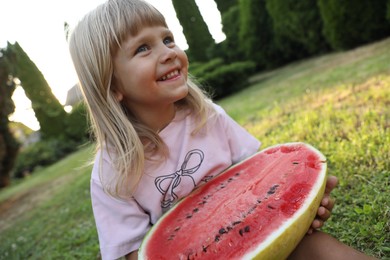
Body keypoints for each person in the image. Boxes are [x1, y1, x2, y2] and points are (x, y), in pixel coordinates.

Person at [68, 0, 375, 259]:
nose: (167, 52)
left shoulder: (207, 116)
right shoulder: (112, 171)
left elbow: (263, 173)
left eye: (167, 39)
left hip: (258, 231)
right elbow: (131, 250)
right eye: (143, 49)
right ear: (112, 86)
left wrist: (297, 210)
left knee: (321, 249)